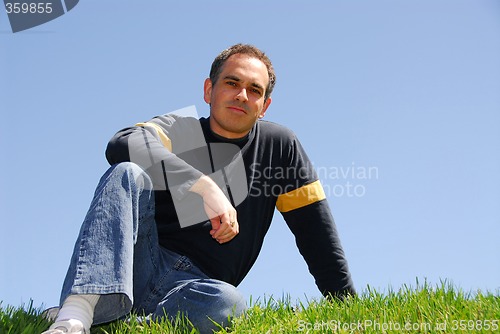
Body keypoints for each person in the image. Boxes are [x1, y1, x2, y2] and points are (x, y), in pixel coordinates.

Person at [42, 44, 355, 334]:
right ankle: (74, 317)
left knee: (230, 304)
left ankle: (125, 320)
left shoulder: (278, 146)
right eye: (232, 83)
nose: (242, 95)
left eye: (254, 90)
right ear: (210, 90)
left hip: (196, 287)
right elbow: (122, 143)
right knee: (127, 172)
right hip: (140, 263)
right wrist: (205, 186)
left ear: (264, 105)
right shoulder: (182, 130)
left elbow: (316, 232)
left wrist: (348, 308)